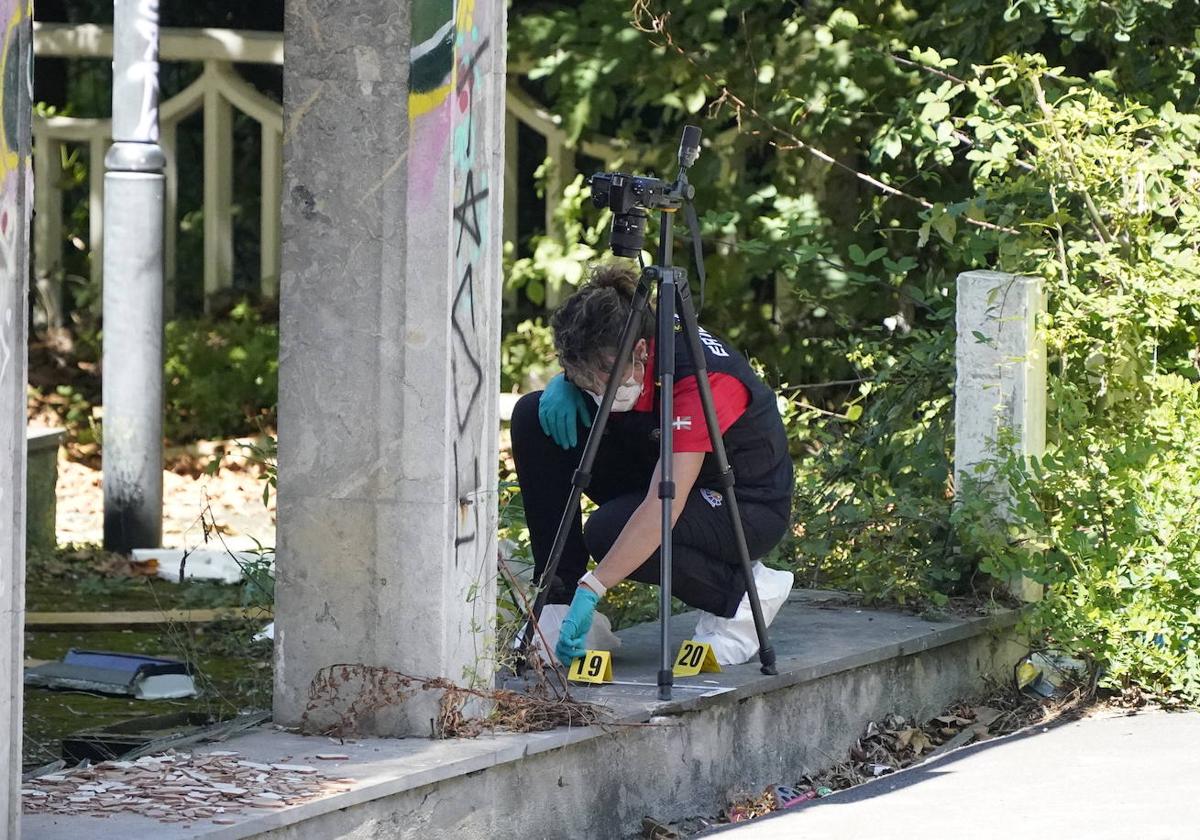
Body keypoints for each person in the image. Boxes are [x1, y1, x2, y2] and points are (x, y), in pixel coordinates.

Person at [510, 263, 794, 668]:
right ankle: (557, 599)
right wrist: (567, 382)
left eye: (600, 380)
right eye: (582, 377)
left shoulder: (700, 379)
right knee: (532, 416)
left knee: (608, 531)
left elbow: (664, 504)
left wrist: (595, 586)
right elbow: (592, 367)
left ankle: (743, 596)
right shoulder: (618, 336)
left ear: (642, 352)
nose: (594, 389)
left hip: (742, 503)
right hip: (658, 456)